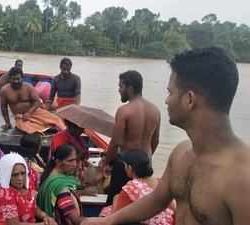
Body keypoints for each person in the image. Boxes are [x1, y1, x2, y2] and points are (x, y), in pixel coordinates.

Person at [82, 47, 250, 225]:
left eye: (170, 92)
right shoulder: (181, 154)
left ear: (189, 99)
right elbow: (157, 199)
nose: (166, 100)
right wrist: (108, 221)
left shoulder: (242, 178)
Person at [104, 70, 161, 204]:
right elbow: (155, 141)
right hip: (146, 165)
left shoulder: (124, 111)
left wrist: (106, 163)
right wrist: (144, 160)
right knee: (142, 205)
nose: (119, 90)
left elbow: (115, 142)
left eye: (121, 86)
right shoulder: (155, 110)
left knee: (116, 204)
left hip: (125, 166)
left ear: (129, 88)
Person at [100, 151, 175, 225]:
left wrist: (115, 200)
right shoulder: (160, 183)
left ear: (129, 168)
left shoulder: (131, 188)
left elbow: (115, 220)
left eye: (125, 166)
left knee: (106, 212)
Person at [0, 153, 56, 225]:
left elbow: (33, 207)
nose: (20, 178)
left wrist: (45, 216)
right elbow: (14, 224)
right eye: (15, 175)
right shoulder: (5, 194)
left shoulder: (26, 187)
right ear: (7, 175)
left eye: (23, 173)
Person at [0, 66, 65, 134]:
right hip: (20, 116)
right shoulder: (4, 91)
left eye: (18, 79)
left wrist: (29, 113)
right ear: (10, 79)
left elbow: (37, 102)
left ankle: (61, 132)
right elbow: (3, 108)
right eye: (13, 79)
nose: (16, 81)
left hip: (35, 112)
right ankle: (44, 130)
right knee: (27, 128)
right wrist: (7, 123)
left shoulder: (28, 87)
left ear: (22, 78)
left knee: (56, 119)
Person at [37, 144, 86, 225]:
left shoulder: (50, 178)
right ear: (58, 162)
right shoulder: (60, 187)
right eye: (70, 161)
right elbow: (75, 220)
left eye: (75, 160)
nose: (74, 164)